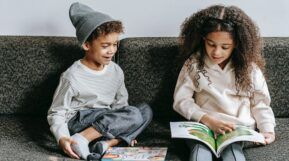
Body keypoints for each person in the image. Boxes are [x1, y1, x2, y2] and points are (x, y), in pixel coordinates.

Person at [47, 2, 152, 160]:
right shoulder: (72, 76)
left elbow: (121, 105)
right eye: (105, 46)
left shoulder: (116, 71)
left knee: (145, 110)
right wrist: (61, 137)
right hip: (79, 120)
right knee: (133, 115)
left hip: (106, 120)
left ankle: (107, 143)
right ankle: (83, 138)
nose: (111, 51)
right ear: (86, 45)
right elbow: (57, 112)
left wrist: (127, 124)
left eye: (115, 44)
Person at [173, 4, 276, 161]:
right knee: (199, 153)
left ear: (236, 44)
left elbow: (260, 103)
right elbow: (182, 100)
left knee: (233, 154)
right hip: (203, 125)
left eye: (225, 47)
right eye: (211, 44)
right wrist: (207, 119)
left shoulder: (250, 68)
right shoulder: (193, 64)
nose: (216, 52)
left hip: (236, 129)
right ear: (203, 40)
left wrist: (267, 130)